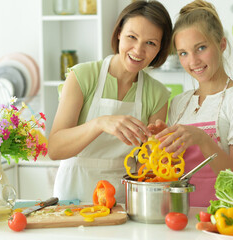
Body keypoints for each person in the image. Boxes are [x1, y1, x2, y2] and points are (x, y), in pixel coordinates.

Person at [48, 0, 172, 203]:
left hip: (122, 200)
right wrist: (100, 123)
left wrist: (158, 149)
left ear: (160, 49)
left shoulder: (157, 94)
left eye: (151, 43)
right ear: (118, 34)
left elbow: (147, 168)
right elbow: (54, 149)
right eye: (132, 37)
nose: (138, 50)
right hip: (73, 196)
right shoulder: (82, 76)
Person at [148, 0, 233, 207]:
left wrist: (203, 140)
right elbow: (174, 171)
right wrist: (161, 144)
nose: (192, 61)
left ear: (221, 44)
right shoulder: (179, 102)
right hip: (181, 214)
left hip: (226, 218)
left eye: (200, 48)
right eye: (183, 53)